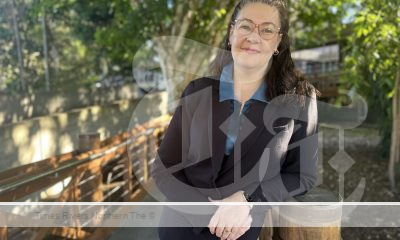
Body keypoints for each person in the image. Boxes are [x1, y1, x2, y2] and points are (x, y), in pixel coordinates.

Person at [152, 0, 319, 239]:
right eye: (245, 26)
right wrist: (208, 213)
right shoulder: (197, 91)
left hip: (240, 230)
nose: (254, 36)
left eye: (267, 29)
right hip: (179, 226)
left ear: (278, 42)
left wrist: (248, 199)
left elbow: (302, 175)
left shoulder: (300, 98)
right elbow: (163, 167)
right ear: (231, 33)